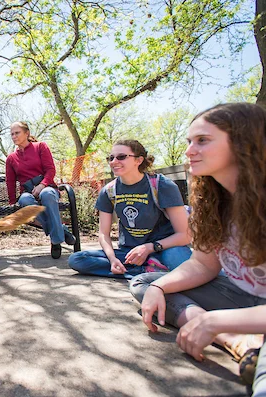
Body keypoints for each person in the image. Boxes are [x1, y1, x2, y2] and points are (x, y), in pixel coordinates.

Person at [129, 103, 266, 395]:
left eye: (202, 140)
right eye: (189, 141)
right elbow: (203, 264)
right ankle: (237, 341)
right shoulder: (215, 201)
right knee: (146, 284)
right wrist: (161, 287)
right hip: (244, 298)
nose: (190, 150)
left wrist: (213, 319)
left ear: (245, 142)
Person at [68, 140, 192, 278]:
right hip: (129, 253)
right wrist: (112, 259)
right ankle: (149, 271)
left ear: (138, 160)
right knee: (77, 260)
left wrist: (149, 247)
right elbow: (103, 234)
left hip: (164, 248)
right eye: (111, 158)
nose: (114, 161)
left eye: (121, 157)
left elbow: (185, 235)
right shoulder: (109, 191)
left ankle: (148, 270)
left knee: (184, 266)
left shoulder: (162, 185)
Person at [5, 121, 76, 260]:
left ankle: (55, 242)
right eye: (12, 134)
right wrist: (12, 201)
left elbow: (50, 170)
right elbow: (10, 181)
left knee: (47, 194)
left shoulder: (40, 147)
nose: (14, 136)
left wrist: (42, 185)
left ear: (27, 133)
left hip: (47, 187)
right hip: (28, 193)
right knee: (24, 199)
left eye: (17, 133)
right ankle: (60, 231)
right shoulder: (11, 158)